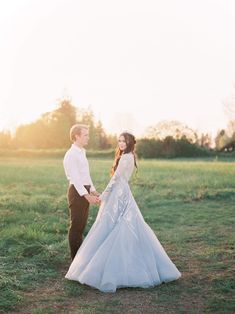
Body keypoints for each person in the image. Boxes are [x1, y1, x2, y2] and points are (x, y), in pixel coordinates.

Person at [65, 131, 181, 292]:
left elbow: (116, 178)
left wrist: (103, 195)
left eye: (124, 141)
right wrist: (98, 193)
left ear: (129, 143)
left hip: (118, 194)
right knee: (119, 225)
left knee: (113, 225)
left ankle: (106, 266)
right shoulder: (129, 156)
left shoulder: (126, 157)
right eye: (119, 140)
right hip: (122, 192)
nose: (120, 143)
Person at [63, 124, 100, 260]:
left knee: (82, 225)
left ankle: (80, 259)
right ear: (76, 136)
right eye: (85, 135)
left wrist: (93, 191)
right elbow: (76, 178)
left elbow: (85, 175)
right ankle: (75, 261)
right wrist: (86, 195)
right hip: (77, 192)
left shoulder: (81, 151)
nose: (88, 138)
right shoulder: (71, 154)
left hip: (84, 189)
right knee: (76, 227)